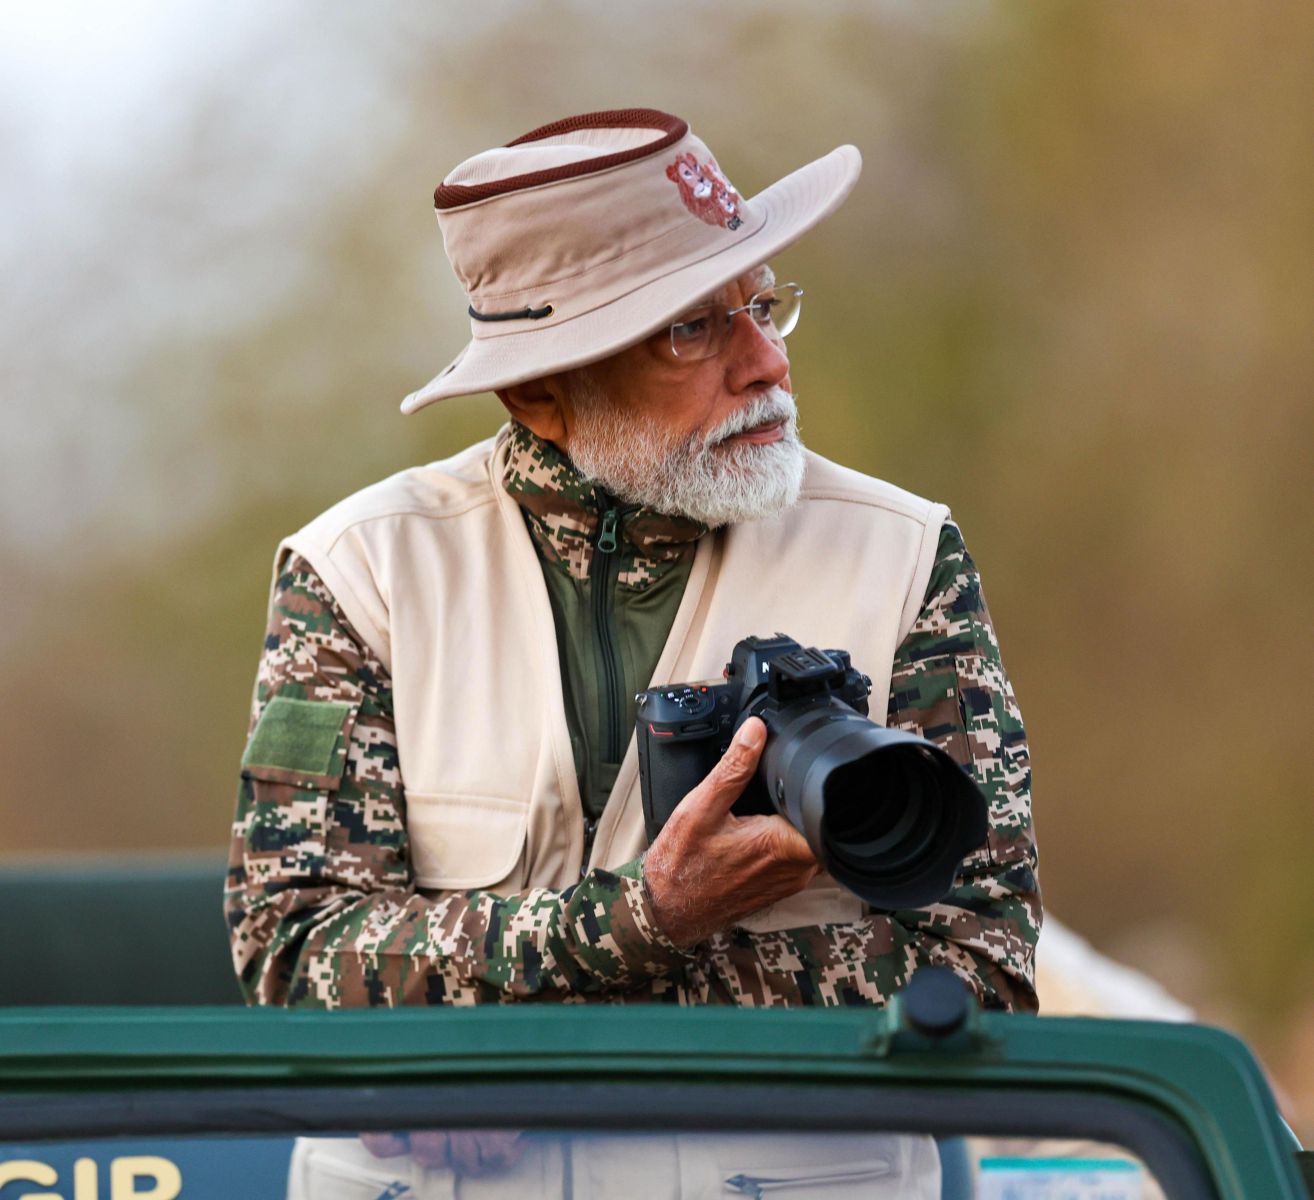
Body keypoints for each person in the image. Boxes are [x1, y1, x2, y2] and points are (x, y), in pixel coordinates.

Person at [225, 108, 1040, 1021]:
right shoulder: (362, 574)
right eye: (692, 329)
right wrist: (639, 922)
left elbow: (983, 967)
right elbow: (295, 954)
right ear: (537, 392)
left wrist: (537, 1012)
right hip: (445, 1178)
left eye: (762, 305)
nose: (767, 362)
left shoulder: (904, 554)